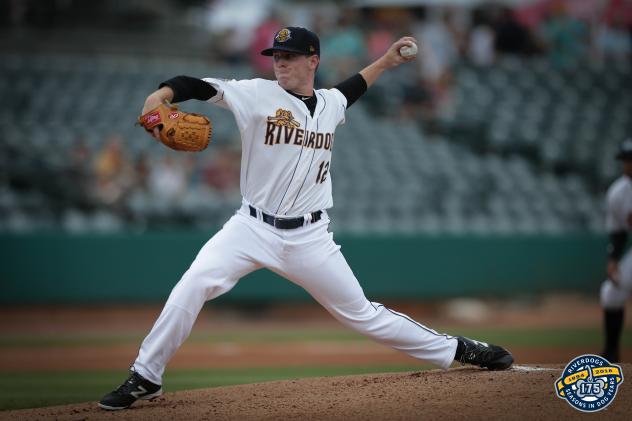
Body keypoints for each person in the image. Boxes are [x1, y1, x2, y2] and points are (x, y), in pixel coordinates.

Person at [99, 26, 514, 411]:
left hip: (310, 237)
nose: (280, 61)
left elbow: (352, 88)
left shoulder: (331, 103)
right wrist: (161, 96)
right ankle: (146, 376)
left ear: (313, 60)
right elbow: (196, 85)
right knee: (192, 284)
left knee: (364, 316)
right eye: (276, 54)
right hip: (251, 227)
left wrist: (387, 62)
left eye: (290, 55)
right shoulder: (255, 94)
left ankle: (460, 349)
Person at [600, 138, 632, 363]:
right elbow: (618, 231)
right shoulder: (619, 192)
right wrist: (613, 258)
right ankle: (611, 354)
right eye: (625, 160)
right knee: (611, 293)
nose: (627, 165)